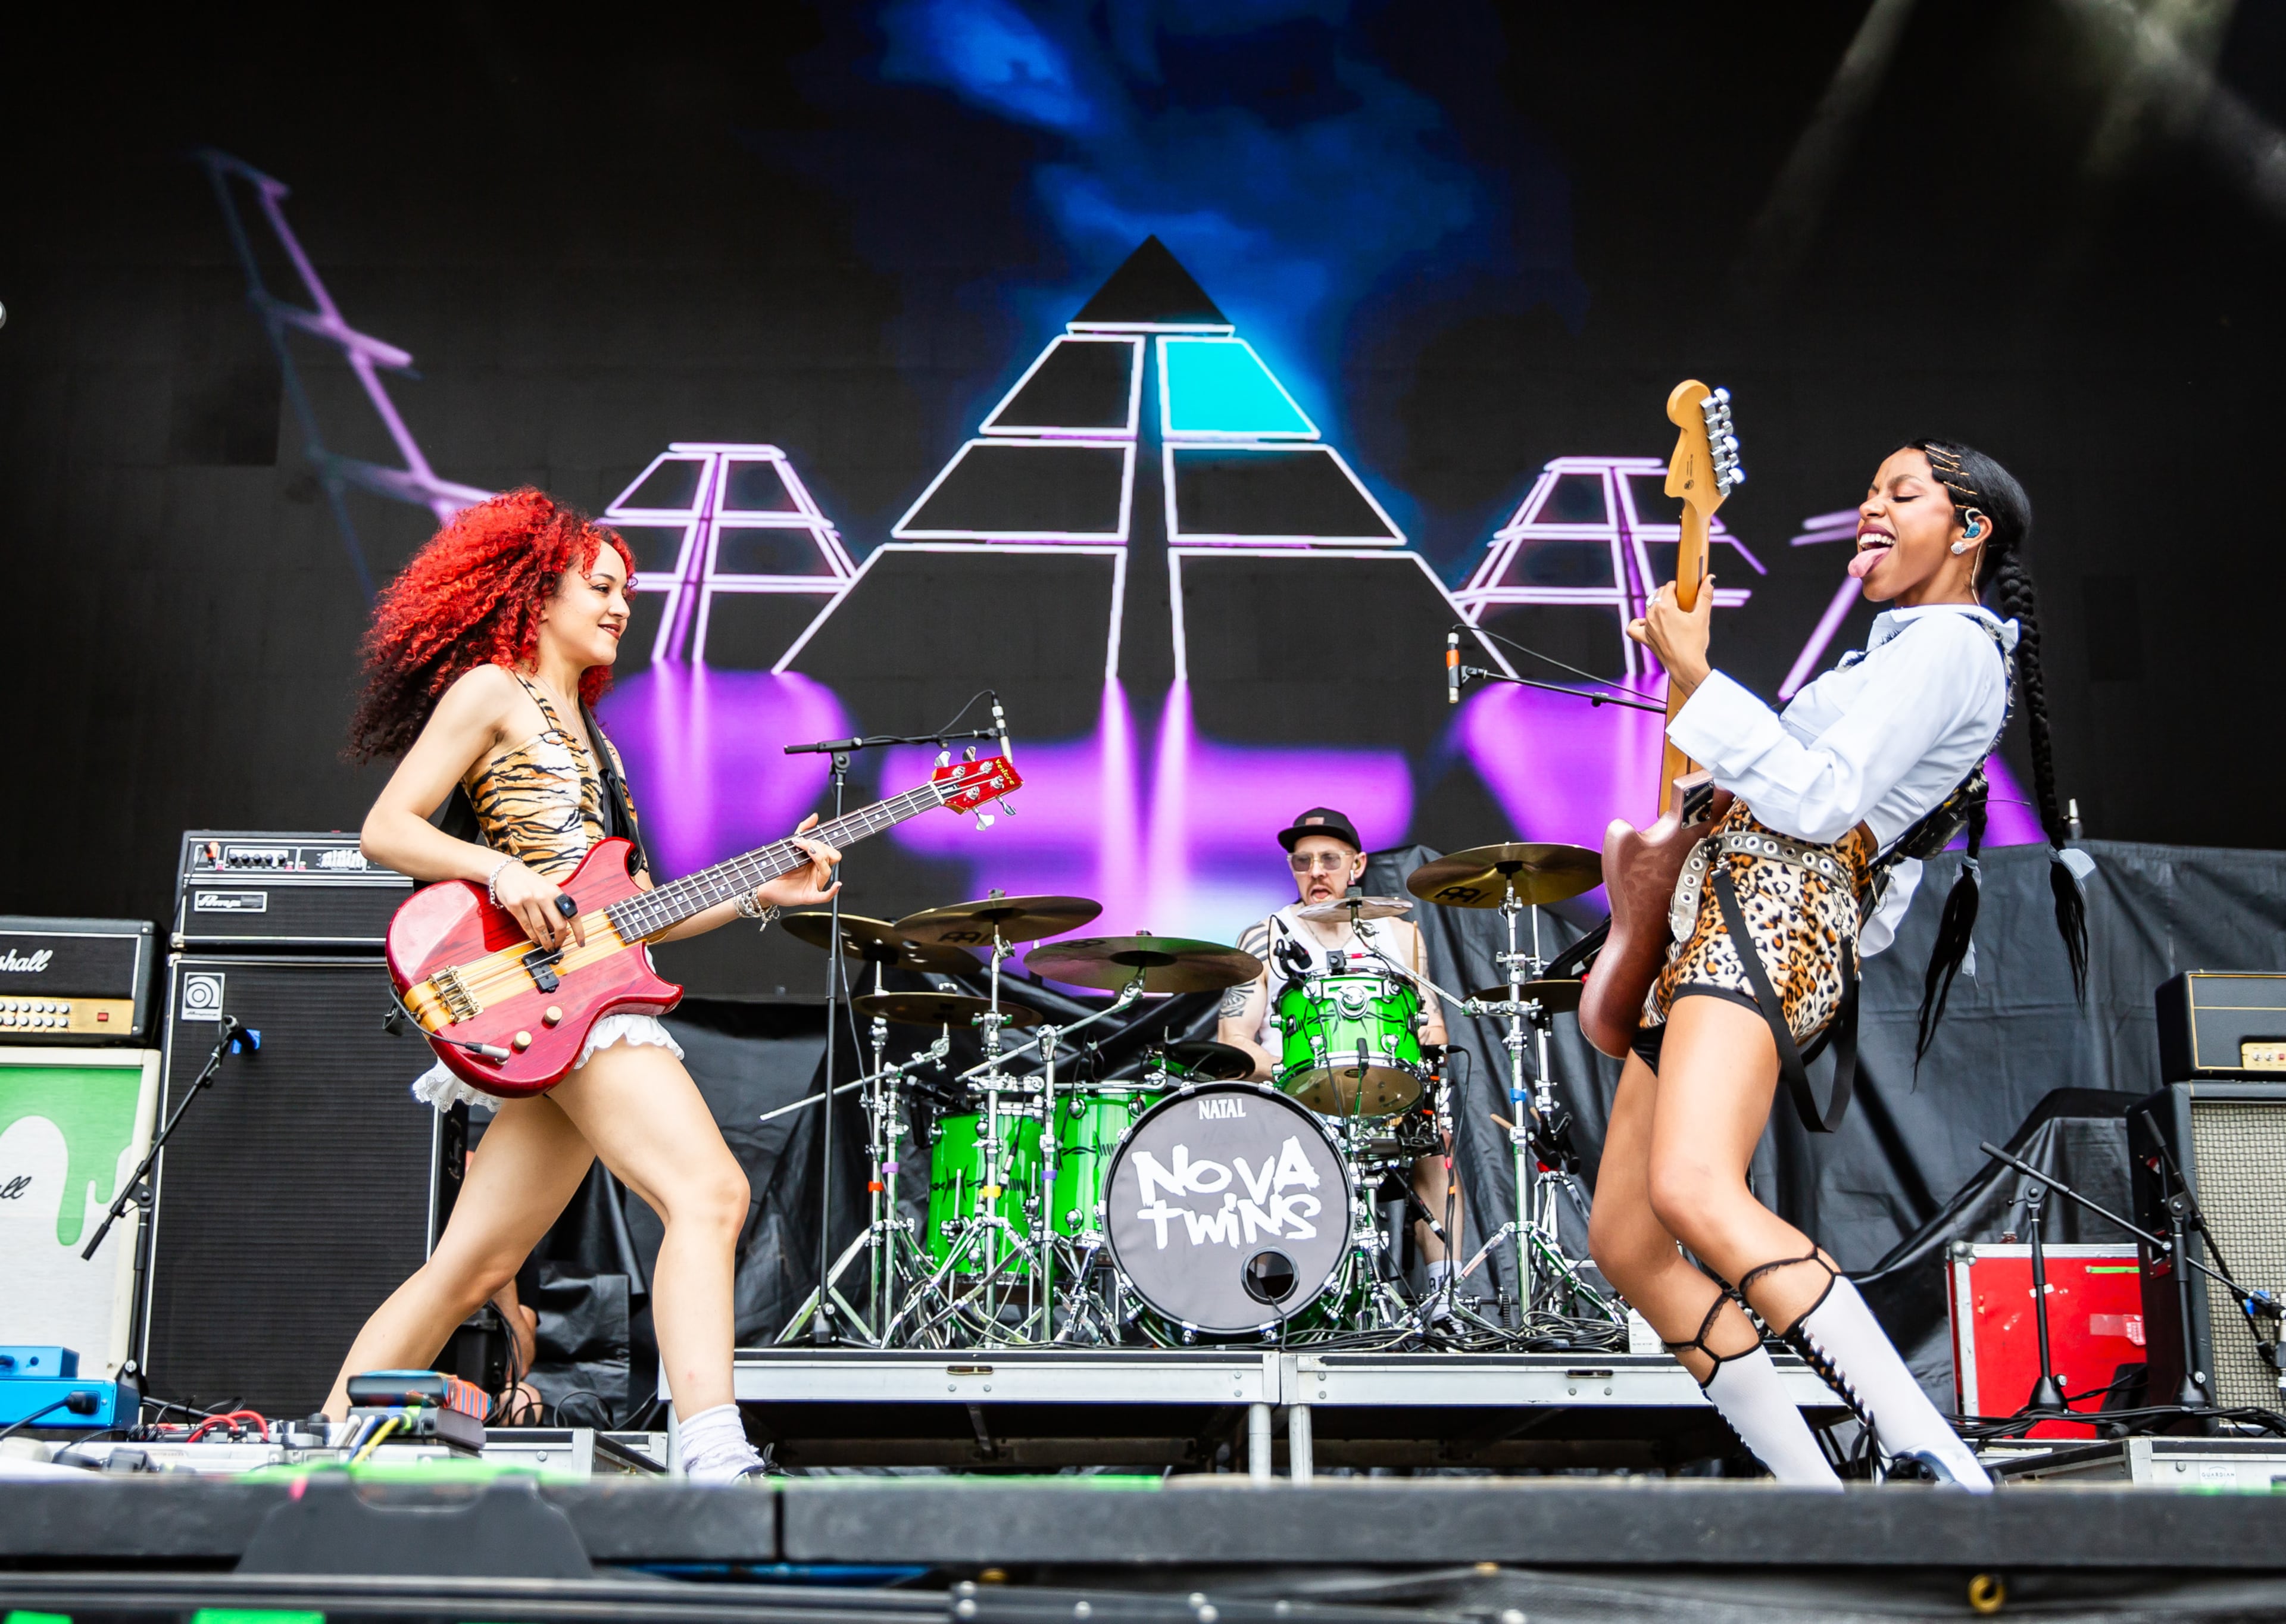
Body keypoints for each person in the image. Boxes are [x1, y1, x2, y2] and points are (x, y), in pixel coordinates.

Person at [1585, 441, 2087, 1488]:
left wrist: (1697, 675)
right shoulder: (1889, 655)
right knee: (1628, 1241)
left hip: (1780, 913)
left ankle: (1941, 1464)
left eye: (1902, 493)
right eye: (1866, 492)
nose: (1871, 508)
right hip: (1728, 909)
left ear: (1970, 530)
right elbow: (1789, 786)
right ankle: (1817, 1498)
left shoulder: (1950, 645)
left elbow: (1821, 803)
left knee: (1693, 1185)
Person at [321, 489, 841, 1483]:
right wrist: (499, 871)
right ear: (535, 592)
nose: (619, 606)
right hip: (544, 996)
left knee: (472, 1267)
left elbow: (634, 915)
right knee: (710, 1191)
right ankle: (711, 1448)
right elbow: (387, 829)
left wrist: (759, 892)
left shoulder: (597, 741)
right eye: (599, 586)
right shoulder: (493, 691)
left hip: (575, 1002)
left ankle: (328, 1441)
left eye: (627, 593)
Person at [1217, 808, 1464, 1299]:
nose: (1316, 872)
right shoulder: (1264, 937)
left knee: (1435, 1144)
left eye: (1330, 859)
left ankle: (1445, 1300)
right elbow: (1233, 1041)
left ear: (1357, 865)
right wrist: (1298, 1072)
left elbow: (1432, 1025)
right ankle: (1282, 1298)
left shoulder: (1400, 935)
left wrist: (1420, 1076)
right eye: (1302, 861)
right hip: (1293, 1098)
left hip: (1386, 1096)